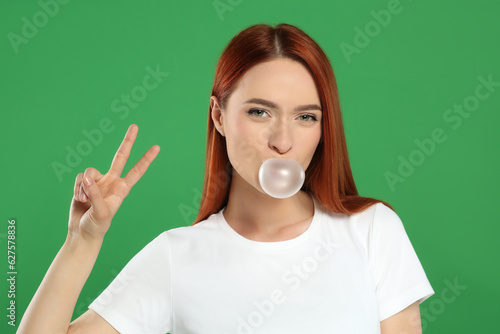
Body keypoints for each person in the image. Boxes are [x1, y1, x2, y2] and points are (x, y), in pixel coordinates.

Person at [18, 23, 434, 333]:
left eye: (306, 117)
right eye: (260, 112)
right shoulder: (176, 257)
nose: (283, 141)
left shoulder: (372, 230)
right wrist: (82, 241)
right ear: (218, 116)